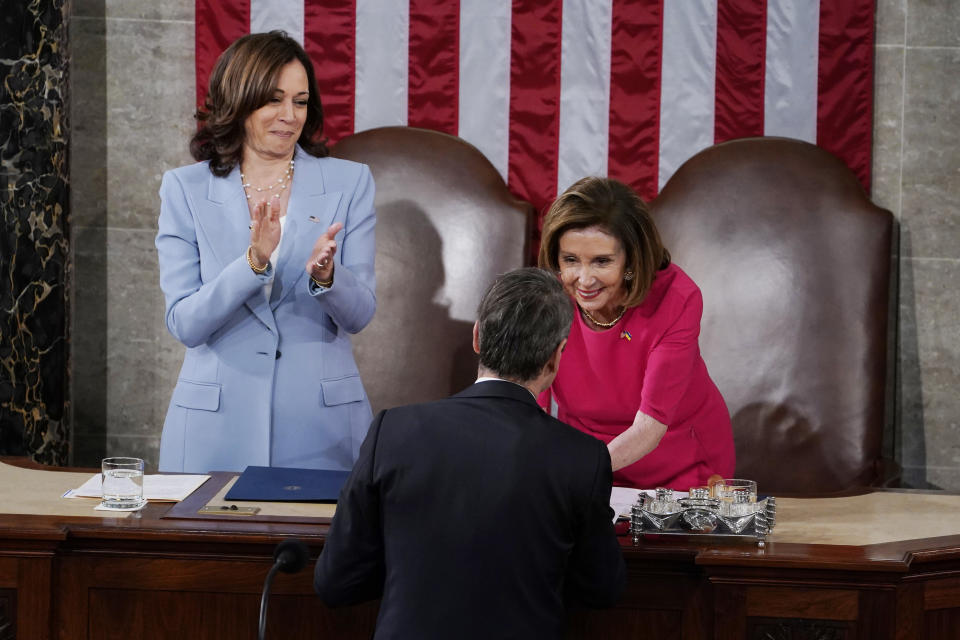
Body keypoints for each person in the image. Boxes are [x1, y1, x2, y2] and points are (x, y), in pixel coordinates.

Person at [314, 268, 625, 638]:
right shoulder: (583, 458)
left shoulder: (392, 432)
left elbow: (337, 583)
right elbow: (602, 590)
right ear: (557, 356)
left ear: (477, 335)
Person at [155, 31, 376, 473]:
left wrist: (328, 278)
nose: (289, 116)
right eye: (273, 100)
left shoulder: (350, 183)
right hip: (213, 430)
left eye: (300, 101)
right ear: (239, 101)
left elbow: (359, 315)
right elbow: (185, 323)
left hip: (322, 431)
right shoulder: (185, 189)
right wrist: (252, 263)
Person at [538, 177, 734, 490]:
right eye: (570, 260)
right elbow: (532, 402)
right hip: (584, 457)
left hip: (678, 461)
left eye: (601, 261)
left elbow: (650, 426)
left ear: (631, 260)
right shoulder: (546, 296)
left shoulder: (676, 298)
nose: (583, 280)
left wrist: (579, 470)